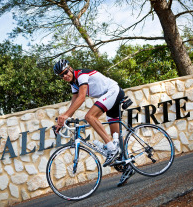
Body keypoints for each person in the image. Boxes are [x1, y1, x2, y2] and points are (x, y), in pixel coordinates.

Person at [53, 59, 135, 187]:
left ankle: (111, 149)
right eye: (61, 75)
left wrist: (65, 115)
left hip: (112, 91)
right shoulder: (73, 84)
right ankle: (127, 166)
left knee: (90, 116)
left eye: (65, 72)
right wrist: (62, 121)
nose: (64, 76)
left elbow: (81, 98)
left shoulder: (81, 75)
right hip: (109, 96)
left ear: (70, 68)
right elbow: (73, 104)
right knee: (117, 139)